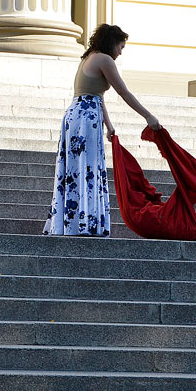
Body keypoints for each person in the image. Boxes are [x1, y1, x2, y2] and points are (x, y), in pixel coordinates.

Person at [45, 24, 161, 237]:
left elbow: (97, 95)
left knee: (76, 170)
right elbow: (123, 92)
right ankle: (84, 223)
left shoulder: (88, 57)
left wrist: (109, 125)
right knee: (87, 167)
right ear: (112, 42)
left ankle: (76, 222)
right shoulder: (104, 60)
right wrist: (148, 116)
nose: (120, 52)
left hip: (78, 113)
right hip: (86, 117)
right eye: (120, 46)